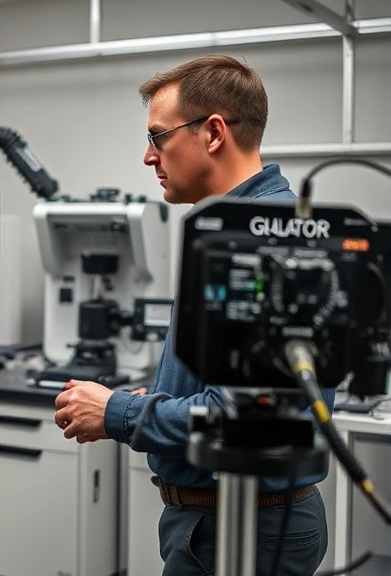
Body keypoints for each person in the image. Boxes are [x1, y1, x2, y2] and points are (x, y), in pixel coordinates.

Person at [53, 55, 333, 575]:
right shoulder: (245, 228)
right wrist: (159, 400)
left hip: (243, 531)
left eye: (158, 137)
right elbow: (236, 392)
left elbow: (258, 423)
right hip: (227, 522)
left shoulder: (263, 239)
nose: (148, 156)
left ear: (213, 133)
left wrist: (118, 413)